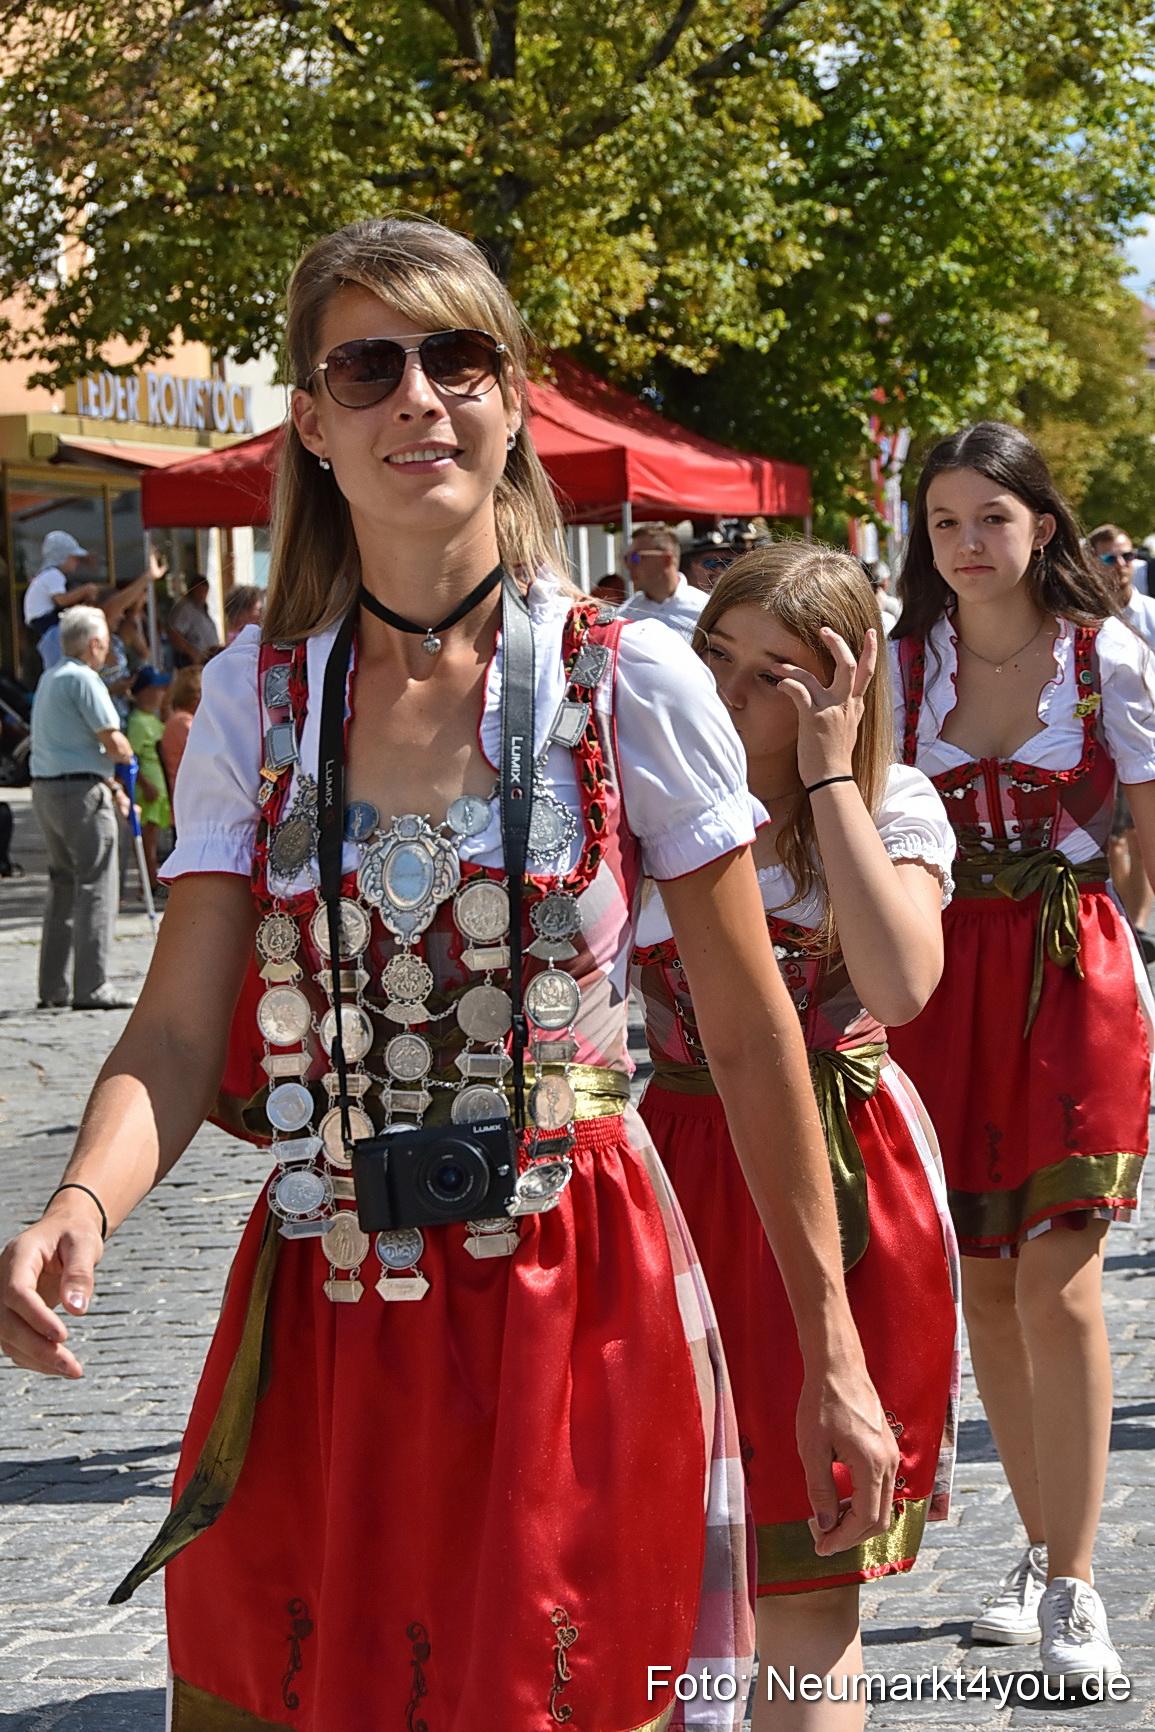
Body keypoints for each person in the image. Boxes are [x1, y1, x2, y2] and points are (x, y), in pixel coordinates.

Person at [0, 218, 897, 1732]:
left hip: (577, 1279)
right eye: (369, 365)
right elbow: (173, 1027)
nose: (419, 397)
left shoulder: (635, 677)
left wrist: (829, 1350)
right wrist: (78, 1203)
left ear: (510, 399)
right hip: (332, 1285)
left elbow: (749, 1043)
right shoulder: (253, 698)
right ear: (313, 419)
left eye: (457, 358)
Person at [634, 544, 960, 1731]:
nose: (729, 694)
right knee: (667, 1556)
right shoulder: (640, 806)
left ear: (843, 681)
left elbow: (901, 982)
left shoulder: (890, 805)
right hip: (673, 1163)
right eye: (716, 654)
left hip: (847, 1173)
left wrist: (829, 775)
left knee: (813, 1585)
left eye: (778, 672)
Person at [889, 423, 1155, 1681]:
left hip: (1069, 967)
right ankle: (1044, 1553)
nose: (968, 543)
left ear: (1040, 525)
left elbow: (1147, 847)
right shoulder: (900, 668)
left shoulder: (1110, 659)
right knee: (983, 1284)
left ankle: (1081, 1583)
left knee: (1058, 1280)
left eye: (990, 518)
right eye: (945, 522)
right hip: (940, 978)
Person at [27, 605, 137, 1011]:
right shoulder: (84, 679)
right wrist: (127, 766)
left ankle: (53, 986)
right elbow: (115, 742)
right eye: (106, 642)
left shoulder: (50, 677)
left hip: (48, 792)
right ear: (94, 643)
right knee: (96, 885)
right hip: (80, 794)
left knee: (63, 886)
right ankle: (92, 986)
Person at [1099, 546, 1155, 936]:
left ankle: (1138, 926)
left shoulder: (1151, 613)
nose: (1121, 564)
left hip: (1146, 743)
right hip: (1100, 742)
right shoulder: (1091, 621)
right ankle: (1128, 926)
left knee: (1139, 835)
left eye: (1126, 555)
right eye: (1108, 558)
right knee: (1114, 840)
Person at [125, 669, 172, 890]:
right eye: (157, 689)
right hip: (148, 790)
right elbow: (131, 757)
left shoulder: (152, 719)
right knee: (148, 838)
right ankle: (148, 883)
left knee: (153, 835)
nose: (162, 694)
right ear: (144, 692)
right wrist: (144, 784)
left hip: (159, 788)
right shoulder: (137, 722)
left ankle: (153, 879)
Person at [617, 524, 707, 639]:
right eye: (626, 558)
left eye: (636, 557)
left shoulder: (703, 608)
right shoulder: (625, 614)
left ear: (666, 559)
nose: (628, 565)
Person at [23, 531, 100, 657]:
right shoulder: (54, 575)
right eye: (74, 558)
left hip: (39, 620)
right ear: (62, 557)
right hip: (45, 619)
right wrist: (85, 590)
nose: (76, 563)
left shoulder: (46, 575)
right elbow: (62, 600)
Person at [159, 665, 202, 797]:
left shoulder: (180, 720)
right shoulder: (182, 722)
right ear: (195, 695)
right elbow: (205, 758)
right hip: (190, 797)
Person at [166, 574, 221, 666]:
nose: (202, 594)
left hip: (210, 660)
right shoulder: (185, 609)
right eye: (199, 591)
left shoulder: (203, 609)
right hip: (193, 661)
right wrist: (193, 654)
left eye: (205, 591)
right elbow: (173, 632)